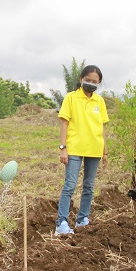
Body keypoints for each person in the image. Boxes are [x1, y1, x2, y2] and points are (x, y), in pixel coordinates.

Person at [55, 65, 109, 236]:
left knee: (89, 186)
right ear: (81, 79)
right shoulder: (71, 98)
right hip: (75, 148)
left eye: (95, 82)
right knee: (70, 185)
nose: (91, 83)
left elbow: (101, 128)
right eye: (89, 80)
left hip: (94, 149)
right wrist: (63, 148)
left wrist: (105, 151)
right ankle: (61, 223)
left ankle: (82, 219)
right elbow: (64, 123)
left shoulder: (99, 101)